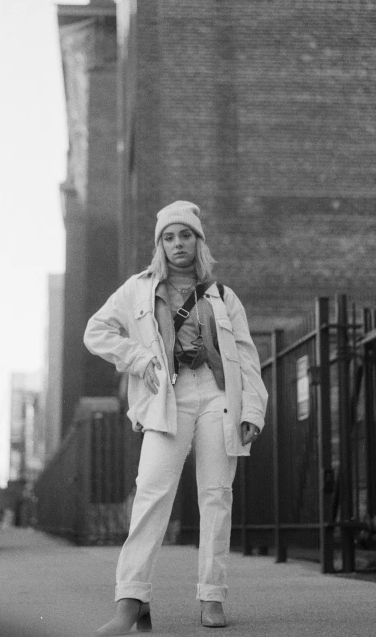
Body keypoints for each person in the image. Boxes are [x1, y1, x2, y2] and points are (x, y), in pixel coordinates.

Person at [84, 201, 268, 635]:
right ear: (159, 245)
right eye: (168, 237)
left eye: (185, 235)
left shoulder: (223, 296)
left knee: (216, 496)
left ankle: (212, 596)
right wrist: (139, 356)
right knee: (150, 494)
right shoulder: (138, 289)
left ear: (198, 241)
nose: (177, 244)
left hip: (218, 396)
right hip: (167, 397)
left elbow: (246, 359)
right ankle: (130, 600)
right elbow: (96, 331)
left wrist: (253, 410)